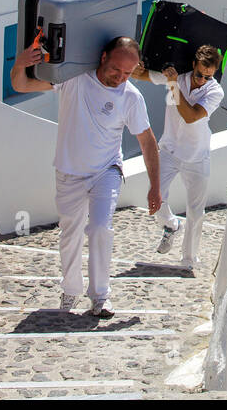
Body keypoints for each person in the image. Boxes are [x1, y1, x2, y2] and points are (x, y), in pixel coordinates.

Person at [10, 36, 163, 316]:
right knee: (70, 234)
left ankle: (101, 296)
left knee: (101, 228)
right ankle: (70, 290)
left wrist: (155, 187)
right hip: (69, 172)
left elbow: (147, 141)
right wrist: (20, 64)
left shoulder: (131, 97)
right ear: (103, 57)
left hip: (106, 171)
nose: (120, 77)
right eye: (116, 69)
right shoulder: (74, 79)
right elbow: (21, 85)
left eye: (128, 73)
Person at [131, 45, 225, 274]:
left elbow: (191, 116)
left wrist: (172, 85)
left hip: (197, 156)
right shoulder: (178, 77)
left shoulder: (215, 91)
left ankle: (189, 259)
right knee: (155, 197)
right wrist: (136, 67)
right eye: (199, 74)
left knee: (196, 211)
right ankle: (171, 225)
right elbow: (141, 75)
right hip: (170, 151)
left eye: (208, 76)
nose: (202, 80)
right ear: (193, 64)